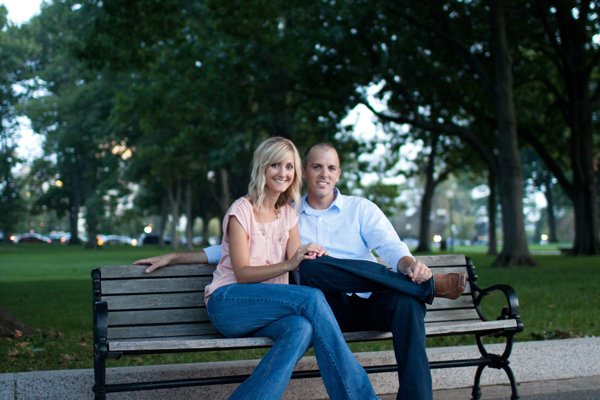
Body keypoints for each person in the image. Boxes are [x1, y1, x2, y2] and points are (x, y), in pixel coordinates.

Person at [136, 142, 466, 400]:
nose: (323, 173)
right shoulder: (266, 210)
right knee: (311, 271)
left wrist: (409, 267)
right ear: (305, 173)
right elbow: (234, 252)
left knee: (391, 307)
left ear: (338, 174)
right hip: (289, 303)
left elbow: (392, 248)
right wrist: (178, 256)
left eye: (331, 167)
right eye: (316, 166)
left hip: (349, 303)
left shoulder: (340, 211)